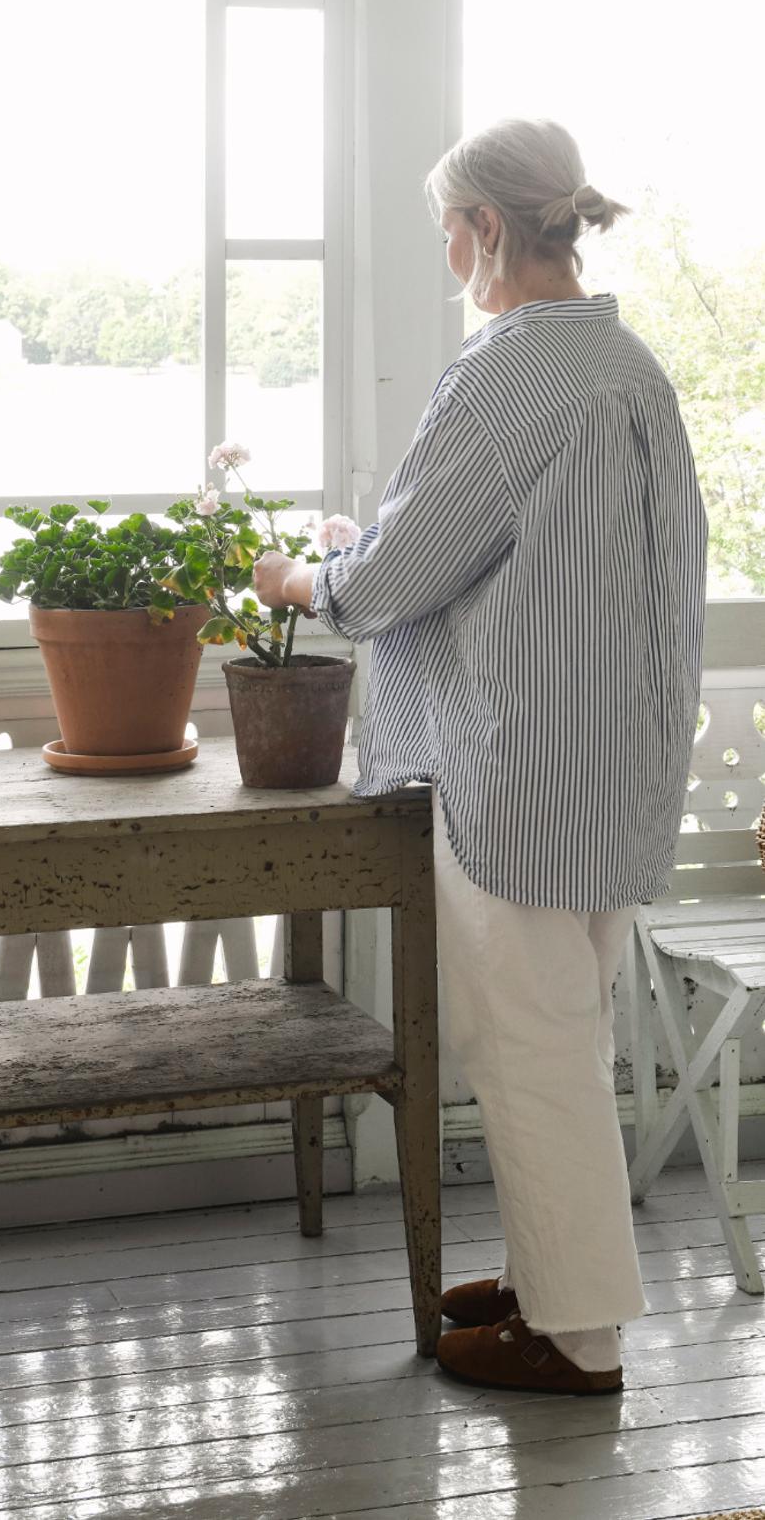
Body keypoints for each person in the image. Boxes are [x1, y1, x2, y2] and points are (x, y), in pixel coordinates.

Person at [252, 115, 707, 1396]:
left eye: (446, 227)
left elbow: (397, 576)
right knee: (567, 1030)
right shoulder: (627, 366)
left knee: (528, 1045)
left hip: (513, 764)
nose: (444, 249)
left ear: (488, 229)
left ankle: (576, 1338)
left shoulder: (508, 367)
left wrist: (308, 576)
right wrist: (373, 548)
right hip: (613, 763)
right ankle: (549, 1284)